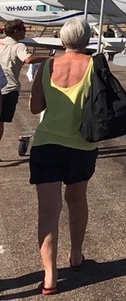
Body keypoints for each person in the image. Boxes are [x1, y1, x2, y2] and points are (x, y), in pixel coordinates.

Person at [29, 18, 99, 296]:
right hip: (81, 146)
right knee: (77, 200)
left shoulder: (47, 66)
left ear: (61, 39)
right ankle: (77, 255)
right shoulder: (95, 67)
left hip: (47, 145)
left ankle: (49, 277)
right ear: (88, 39)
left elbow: (35, 108)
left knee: (48, 212)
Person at [0, 20, 44, 145]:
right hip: (8, 90)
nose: (25, 31)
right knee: (0, 122)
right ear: (16, 32)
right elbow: (28, 59)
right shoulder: (18, 46)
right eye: (23, 29)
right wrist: (51, 58)